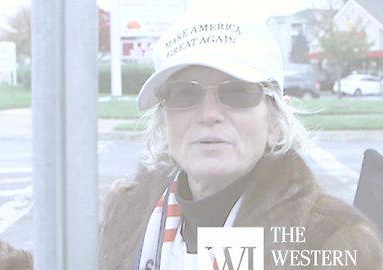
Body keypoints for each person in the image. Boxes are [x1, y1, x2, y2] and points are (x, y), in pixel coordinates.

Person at [99, 3, 383, 270]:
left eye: (236, 92)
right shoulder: (126, 215)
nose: (209, 114)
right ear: (164, 118)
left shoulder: (336, 243)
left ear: (275, 121)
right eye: (185, 93)